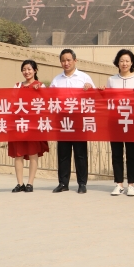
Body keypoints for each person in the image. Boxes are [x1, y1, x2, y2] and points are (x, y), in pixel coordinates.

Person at [50, 49, 95, 194]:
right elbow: (49, 98)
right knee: (63, 153)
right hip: (62, 121)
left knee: (80, 153)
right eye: (63, 60)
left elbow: (94, 98)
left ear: (75, 61)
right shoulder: (56, 80)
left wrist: (90, 89)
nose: (66, 63)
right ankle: (63, 183)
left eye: (69, 60)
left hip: (79, 120)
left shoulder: (84, 77)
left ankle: (82, 183)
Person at [106, 49, 134, 197]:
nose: (124, 63)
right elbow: (107, 100)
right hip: (115, 121)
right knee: (116, 154)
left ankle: (131, 185)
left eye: (127, 61)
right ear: (117, 62)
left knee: (131, 154)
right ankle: (119, 184)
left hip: (132, 121)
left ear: (132, 63)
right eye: (122, 60)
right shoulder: (111, 80)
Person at [9, 60, 50, 193]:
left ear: (35, 70)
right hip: (19, 124)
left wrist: (40, 91)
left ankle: (30, 183)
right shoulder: (17, 86)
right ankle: (19, 183)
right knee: (18, 155)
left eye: (29, 69)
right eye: (24, 69)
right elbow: (11, 102)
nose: (26, 72)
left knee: (33, 154)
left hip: (33, 126)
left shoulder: (40, 85)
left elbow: (48, 101)